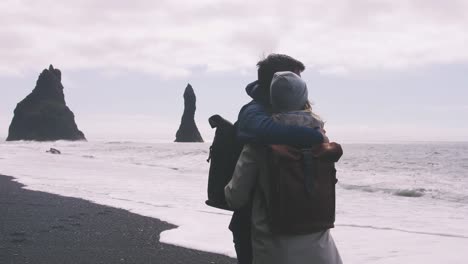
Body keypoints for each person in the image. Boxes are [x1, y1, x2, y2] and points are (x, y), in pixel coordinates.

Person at [226, 71, 342, 264]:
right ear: (304, 98)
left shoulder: (258, 144)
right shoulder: (322, 138)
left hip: (274, 252)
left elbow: (235, 197)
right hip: (320, 251)